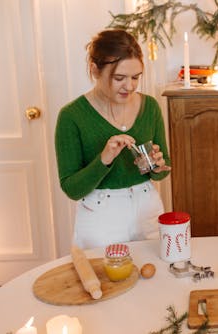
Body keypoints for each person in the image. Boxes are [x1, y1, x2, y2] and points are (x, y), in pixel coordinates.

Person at [55, 29, 171, 249]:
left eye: (136, 77)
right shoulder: (71, 116)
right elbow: (72, 188)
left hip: (148, 209)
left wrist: (157, 165)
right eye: (119, 78)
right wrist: (104, 159)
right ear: (95, 70)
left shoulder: (150, 107)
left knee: (154, 276)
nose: (129, 86)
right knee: (105, 280)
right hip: (100, 217)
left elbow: (163, 171)